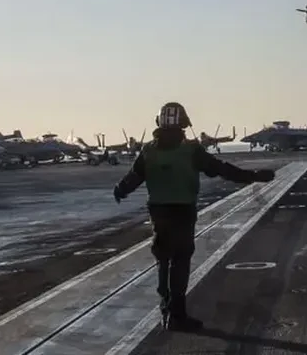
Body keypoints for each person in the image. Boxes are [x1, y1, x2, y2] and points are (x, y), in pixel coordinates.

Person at [113, 102, 275, 332]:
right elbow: (222, 169)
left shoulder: (148, 150)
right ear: (183, 123)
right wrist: (254, 175)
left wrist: (120, 190)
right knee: (180, 260)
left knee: (163, 260)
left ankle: (166, 311)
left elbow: (133, 178)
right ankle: (177, 315)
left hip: (158, 212)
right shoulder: (190, 150)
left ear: (159, 123)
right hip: (182, 212)